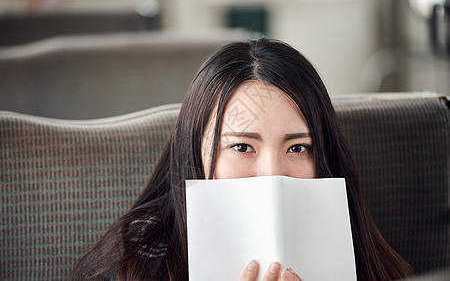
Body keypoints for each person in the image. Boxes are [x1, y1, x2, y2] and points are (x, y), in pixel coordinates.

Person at [71, 37, 413, 280]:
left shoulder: (361, 251)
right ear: (193, 150)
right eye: (241, 147)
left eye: (298, 148)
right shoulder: (132, 263)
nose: (271, 174)